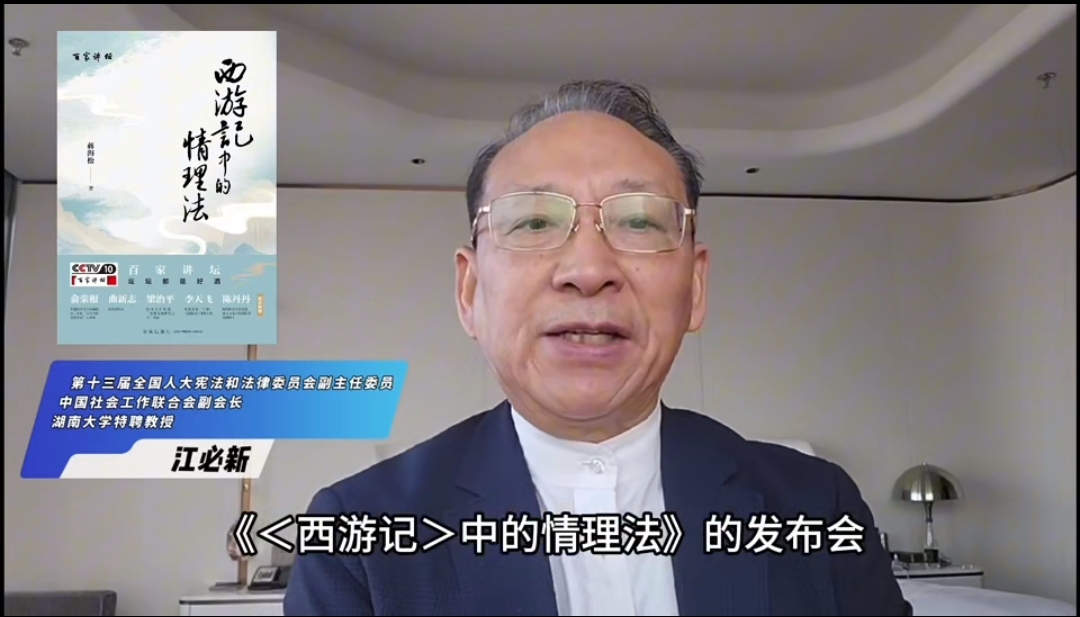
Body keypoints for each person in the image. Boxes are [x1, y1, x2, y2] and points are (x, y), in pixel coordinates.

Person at [284, 80, 912, 616]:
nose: (588, 270)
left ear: (694, 289)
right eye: (534, 222)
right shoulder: (355, 538)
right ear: (470, 290)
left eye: (638, 221)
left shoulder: (816, 507)